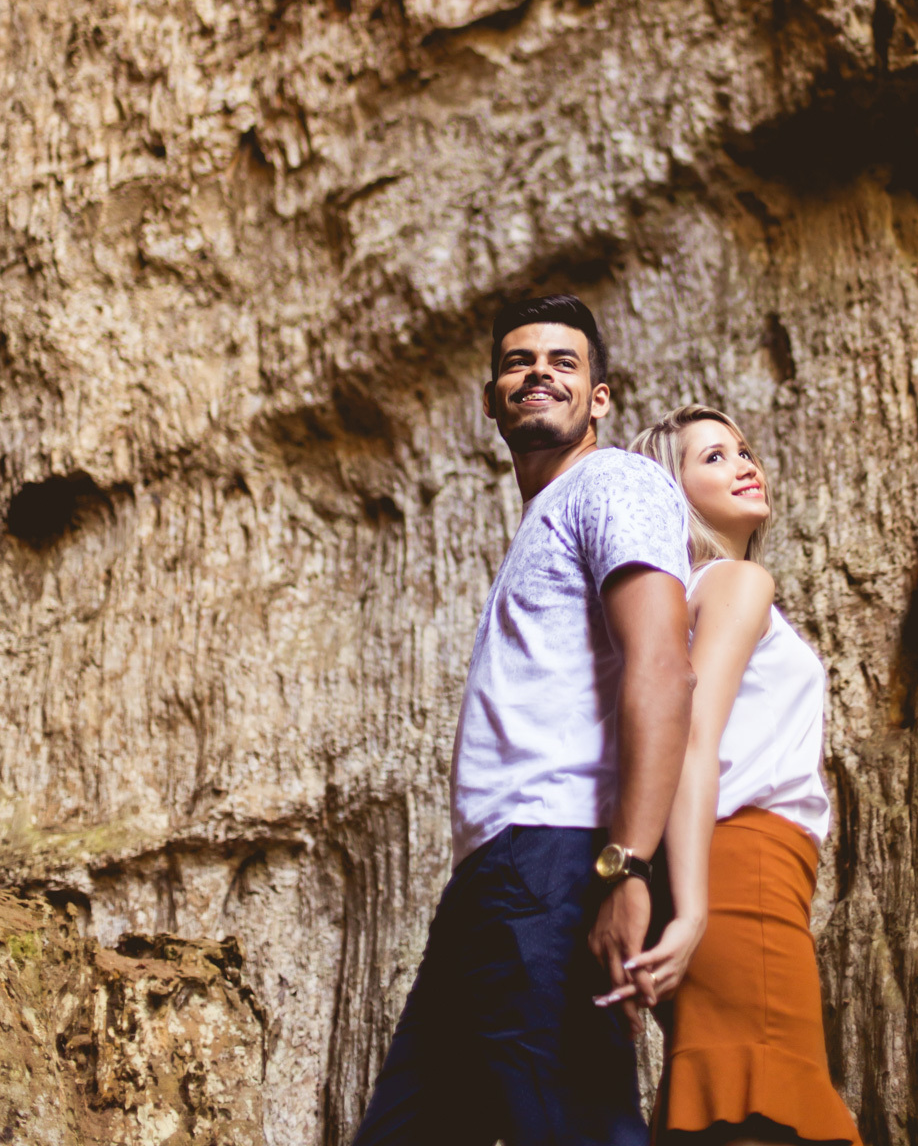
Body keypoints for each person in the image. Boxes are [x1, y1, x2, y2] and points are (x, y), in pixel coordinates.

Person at [353, 294, 695, 1146]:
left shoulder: (612, 482)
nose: (538, 372)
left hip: (553, 860)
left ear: (599, 397)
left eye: (562, 362)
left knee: (574, 1126)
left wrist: (628, 867)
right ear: (491, 399)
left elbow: (662, 665)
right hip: (492, 877)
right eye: (518, 362)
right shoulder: (543, 518)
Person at [615, 405, 863, 1146]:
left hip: (727, 867)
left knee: (729, 1104)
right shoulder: (737, 582)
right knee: (767, 1100)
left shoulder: (674, 602)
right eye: (714, 457)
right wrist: (694, 911)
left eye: (744, 450)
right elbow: (692, 737)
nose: (745, 464)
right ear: (673, 489)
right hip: (741, 866)